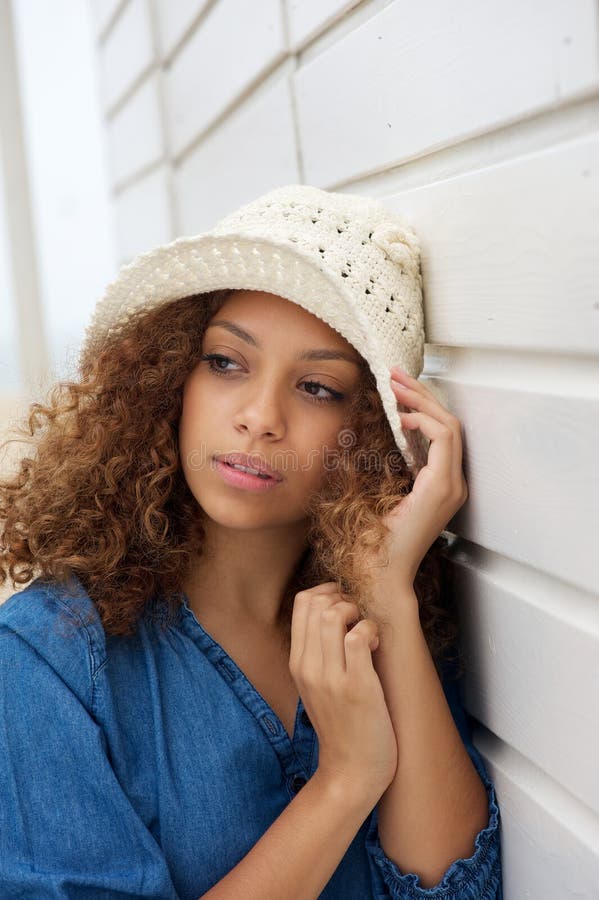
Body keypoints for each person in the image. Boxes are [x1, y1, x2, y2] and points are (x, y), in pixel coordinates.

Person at [0, 183, 502, 898]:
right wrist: (344, 781)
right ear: (169, 377)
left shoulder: (397, 622)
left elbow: (455, 891)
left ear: (367, 433)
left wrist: (386, 591)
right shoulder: (45, 655)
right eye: (227, 363)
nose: (259, 418)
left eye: (317, 387)